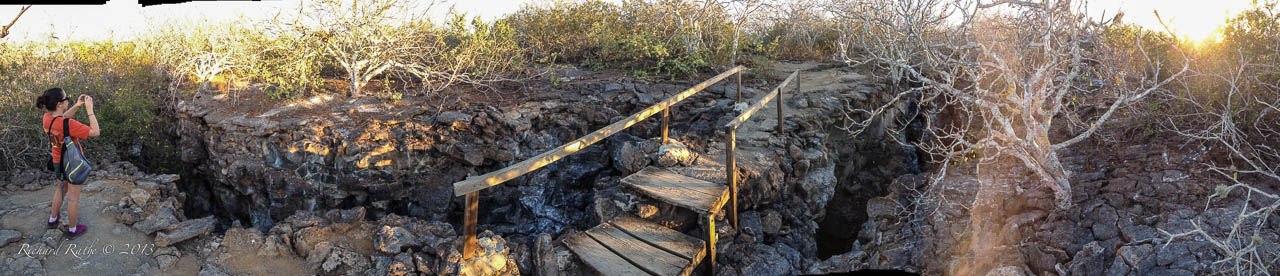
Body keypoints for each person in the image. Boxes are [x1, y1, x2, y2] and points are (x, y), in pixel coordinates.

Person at [35, 87, 99, 238]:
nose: (68, 100)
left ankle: (53, 219)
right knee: (73, 198)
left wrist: (77, 105)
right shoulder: (68, 124)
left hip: (58, 161)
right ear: (59, 104)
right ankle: (72, 229)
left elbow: (61, 119)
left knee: (60, 190)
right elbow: (95, 132)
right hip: (71, 163)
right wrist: (90, 110)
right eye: (66, 99)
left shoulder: (47, 118)